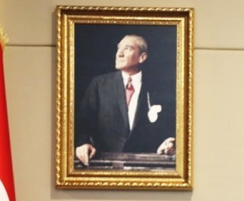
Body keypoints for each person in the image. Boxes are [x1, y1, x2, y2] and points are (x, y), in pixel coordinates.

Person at [74, 34, 176, 166]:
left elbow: (170, 124)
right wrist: (83, 143)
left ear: (142, 57)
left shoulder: (158, 87)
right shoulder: (99, 85)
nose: (119, 53)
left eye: (127, 48)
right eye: (118, 48)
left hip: (147, 164)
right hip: (103, 163)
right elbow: (83, 122)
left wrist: (169, 141)